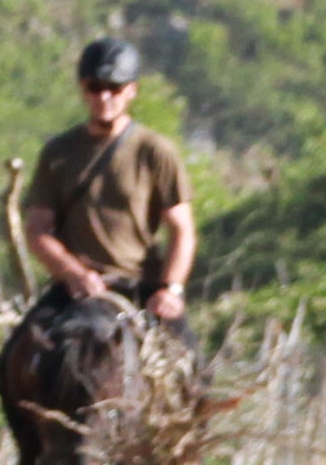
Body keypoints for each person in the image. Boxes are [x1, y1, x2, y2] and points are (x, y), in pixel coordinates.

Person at [22, 37, 196, 325]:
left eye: (115, 88)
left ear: (132, 91)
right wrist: (72, 272)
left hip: (140, 287)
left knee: (187, 351)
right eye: (95, 87)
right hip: (75, 289)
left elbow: (181, 230)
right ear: (83, 89)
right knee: (20, 347)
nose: (104, 97)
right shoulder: (58, 153)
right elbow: (37, 229)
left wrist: (171, 289)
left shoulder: (155, 151)